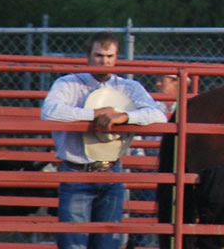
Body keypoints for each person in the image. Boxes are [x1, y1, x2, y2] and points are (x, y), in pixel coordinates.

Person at [41, 31, 167, 249]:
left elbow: (158, 115)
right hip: (76, 171)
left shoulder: (129, 87)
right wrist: (95, 114)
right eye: (99, 55)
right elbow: (50, 112)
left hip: (112, 172)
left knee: (108, 243)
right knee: (73, 244)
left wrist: (124, 116)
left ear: (116, 57)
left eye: (110, 56)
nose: (104, 61)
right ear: (88, 55)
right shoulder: (68, 84)